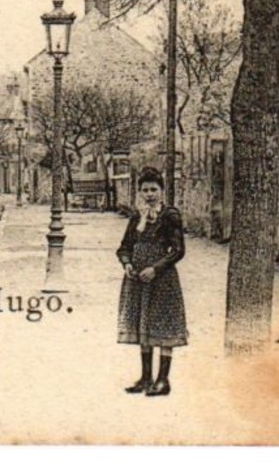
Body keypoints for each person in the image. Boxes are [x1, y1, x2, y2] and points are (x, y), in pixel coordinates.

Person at [117, 167, 188, 396]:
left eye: (153, 189)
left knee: (164, 324)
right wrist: (127, 263)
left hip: (162, 279)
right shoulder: (137, 216)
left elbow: (178, 250)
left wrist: (155, 268)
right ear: (139, 192)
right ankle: (146, 378)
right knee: (142, 322)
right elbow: (124, 247)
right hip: (137, 278)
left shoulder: (170, 215)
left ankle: (163, 380)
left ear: (161, 190)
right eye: (145, 190)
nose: (149, 194)